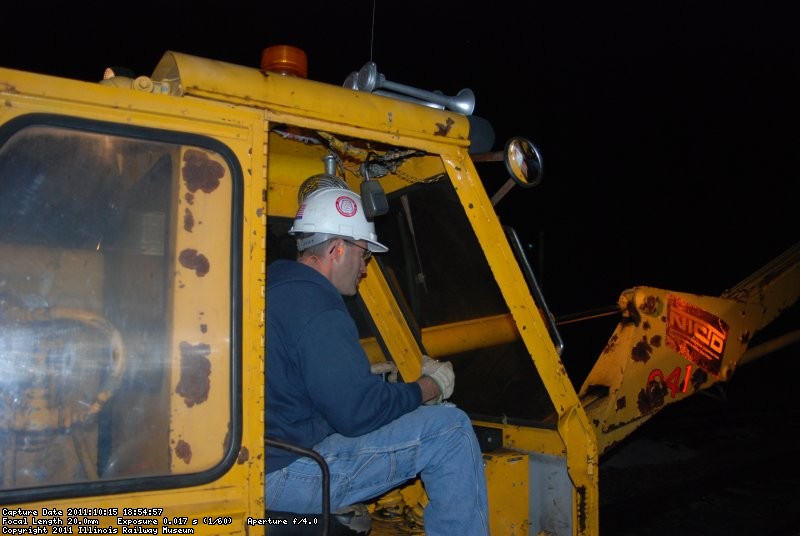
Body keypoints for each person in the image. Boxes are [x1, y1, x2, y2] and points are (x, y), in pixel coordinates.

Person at [265, 183, 490, 535]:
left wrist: (375, 389)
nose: (365, 268)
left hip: (265, 455)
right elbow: (356, 413)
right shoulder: (319, 307)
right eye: (364, 254)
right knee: (451, 429)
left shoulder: (275, 285)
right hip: (288, 474)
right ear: (338, 249)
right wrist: (428, 388)